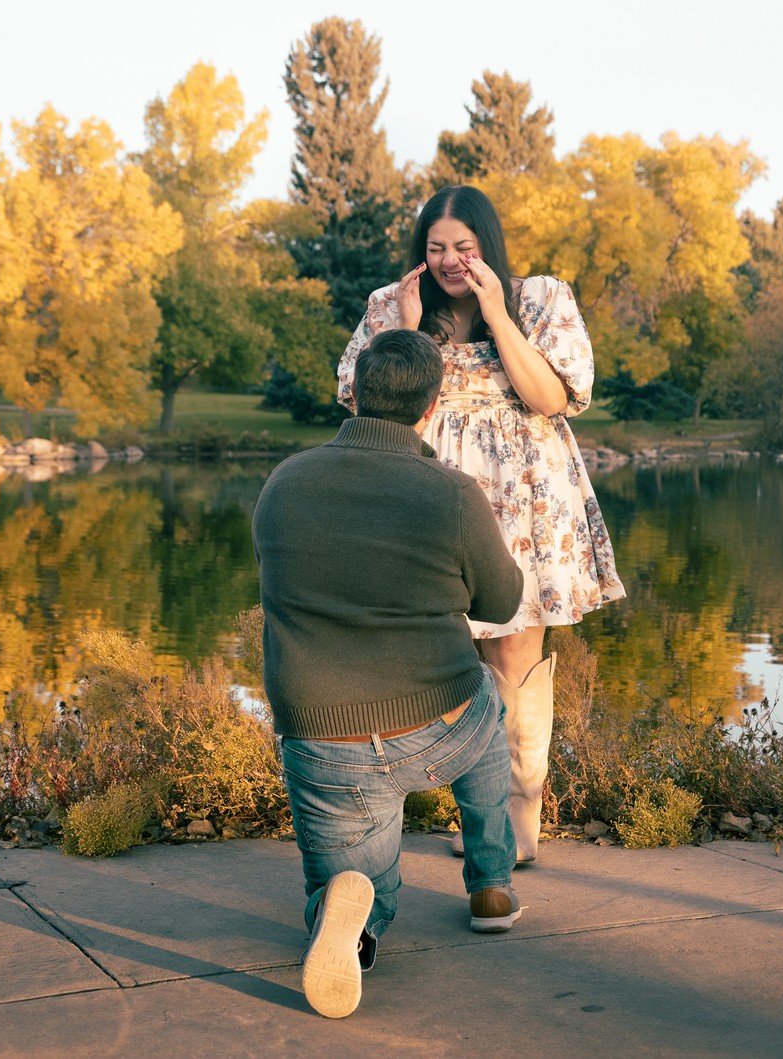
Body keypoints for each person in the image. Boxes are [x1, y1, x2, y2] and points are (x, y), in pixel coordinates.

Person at [338, 185, 626, 864]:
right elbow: (366, 406)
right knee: (428, 658)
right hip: (423, 489)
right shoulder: (391, 305)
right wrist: (406, 333)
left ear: (486, 245)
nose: (449, 261)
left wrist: (497, 312)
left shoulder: (538, 299)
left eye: (463, 247)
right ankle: (441, 807)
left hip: (522, 498)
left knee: (514, 658)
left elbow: (550, 396)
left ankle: (515, 818)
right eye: (436, 248)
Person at [254, 329, 526, 1019]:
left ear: (353, 394)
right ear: (431, 406)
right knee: (491, 699)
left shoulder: (285, 483)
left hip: (325, 737)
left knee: (356, 876)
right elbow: (501, 603)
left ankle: (358, 925)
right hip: (442, 724)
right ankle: (491, 882)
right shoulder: (453, 493)